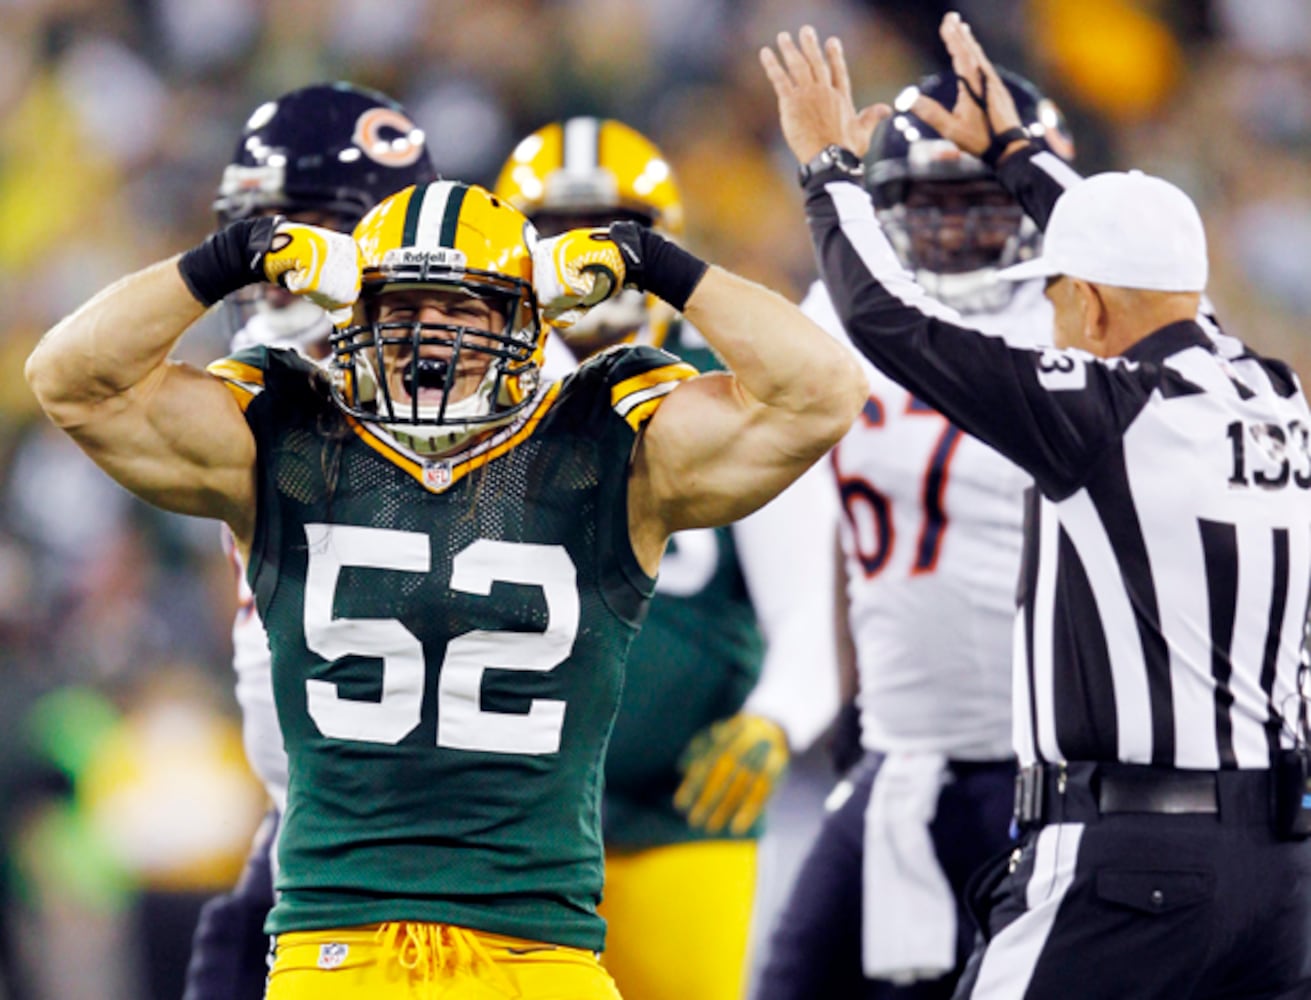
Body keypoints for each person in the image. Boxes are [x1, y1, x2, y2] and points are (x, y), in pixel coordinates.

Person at [24, 164, 867, 999]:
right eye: (399, 309)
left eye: (463, 308)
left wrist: (656, 263)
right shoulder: (284, 438)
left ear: (527, 322)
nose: (431, 334)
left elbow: (824, 393)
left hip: (539, 943)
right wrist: (231, 257)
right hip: (340, 939)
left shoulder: (605, 447)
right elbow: (68, 381)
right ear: (351, 316)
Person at [763, 15, 1311, 999]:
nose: (1050, 315)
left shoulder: (1106, 411)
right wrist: (1016, 152)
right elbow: (1152, 288)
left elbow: (885, 319)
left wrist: (826, 169)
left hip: (1131, 854)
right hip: (1279, 869)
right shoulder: (1268, 387)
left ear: (1090, 303)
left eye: (1058, 293)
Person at [494, 117, 839, 1000]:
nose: (583, 255)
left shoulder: (723, 383)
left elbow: (811, 598)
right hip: (502, 816)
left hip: (678, 811)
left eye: (611, 229)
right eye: (556, 230)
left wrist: (777, 717)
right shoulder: (469, 392)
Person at [757, 66, 1073, 999]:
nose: (953, 231)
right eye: (928, 205)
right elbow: (831, 529)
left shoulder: (1076, 317)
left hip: (1043, 764)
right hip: (896, 750)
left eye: (980, 203)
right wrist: (843, 695)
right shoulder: (841, 309)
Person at [180, 82, 438, 1000]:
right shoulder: (256, 381)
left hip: (420, 855)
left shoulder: (466, 402)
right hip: (300, 825)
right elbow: (76, 382)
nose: (268, 262)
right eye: (252, 232)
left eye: (299, 229)